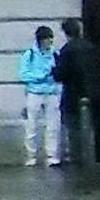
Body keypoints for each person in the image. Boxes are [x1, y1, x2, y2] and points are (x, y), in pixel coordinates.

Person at [58, 16, 100, 168]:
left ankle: (78, 159)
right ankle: (93, 156)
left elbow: (61, 74)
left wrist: (54, 70)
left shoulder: (66, 50)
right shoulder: (91, 48)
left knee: (74, 128)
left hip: (72, 93)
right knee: (90, 127)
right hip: (92, 93)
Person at [17, 27, 63, 167]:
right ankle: (31, 155)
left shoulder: (56, 54)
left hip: (52, 93)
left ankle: (52, 155)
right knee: (32, 125)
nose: (49, 41)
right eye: (46, 39)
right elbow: (23, 75)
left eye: (50, 38)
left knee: (53, 126)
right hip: (34, 93)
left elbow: (59, 73)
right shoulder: (29, 54)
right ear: (40, 40)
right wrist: (41, 76)